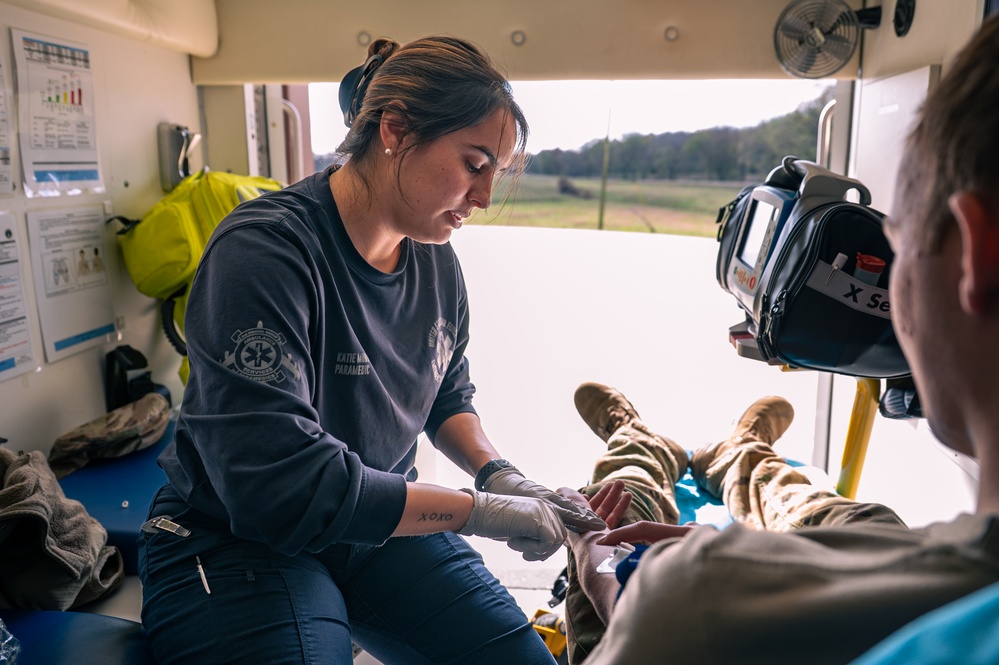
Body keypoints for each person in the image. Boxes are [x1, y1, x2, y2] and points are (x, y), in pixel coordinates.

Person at [137, 35, 603, 665]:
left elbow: (446, 395)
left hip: (374, 529)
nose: (485, 197)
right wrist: (479, 512)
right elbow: (284, 484)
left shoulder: (435, 264)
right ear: (395, 130)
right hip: (235, 536)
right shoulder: (265, 252)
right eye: (474, 164)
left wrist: (502, 477)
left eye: (496, 172)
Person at [557, 14, 999, 664]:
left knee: (610, 511)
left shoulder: (693, 603)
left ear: (976, 258)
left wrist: (602, 564)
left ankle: (636, 441)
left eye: (900, 244)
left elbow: (652, 607)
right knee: (860, 524)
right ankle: (744, 451)